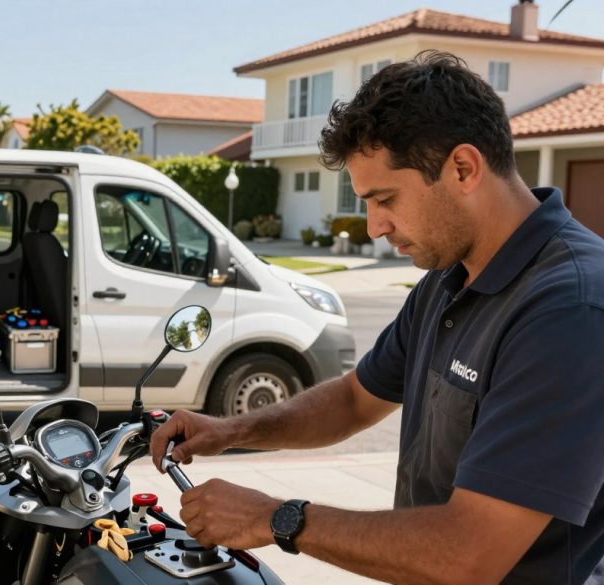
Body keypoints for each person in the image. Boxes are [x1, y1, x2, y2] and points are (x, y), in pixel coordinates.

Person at [150, 50, 604, 584]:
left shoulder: (572, 308)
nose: (374, 227)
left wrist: (272, 518)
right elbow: (353, 400)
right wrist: (233, 430)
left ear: (463, 168)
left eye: (385, 198)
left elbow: (469, 555)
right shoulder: (449, 278)